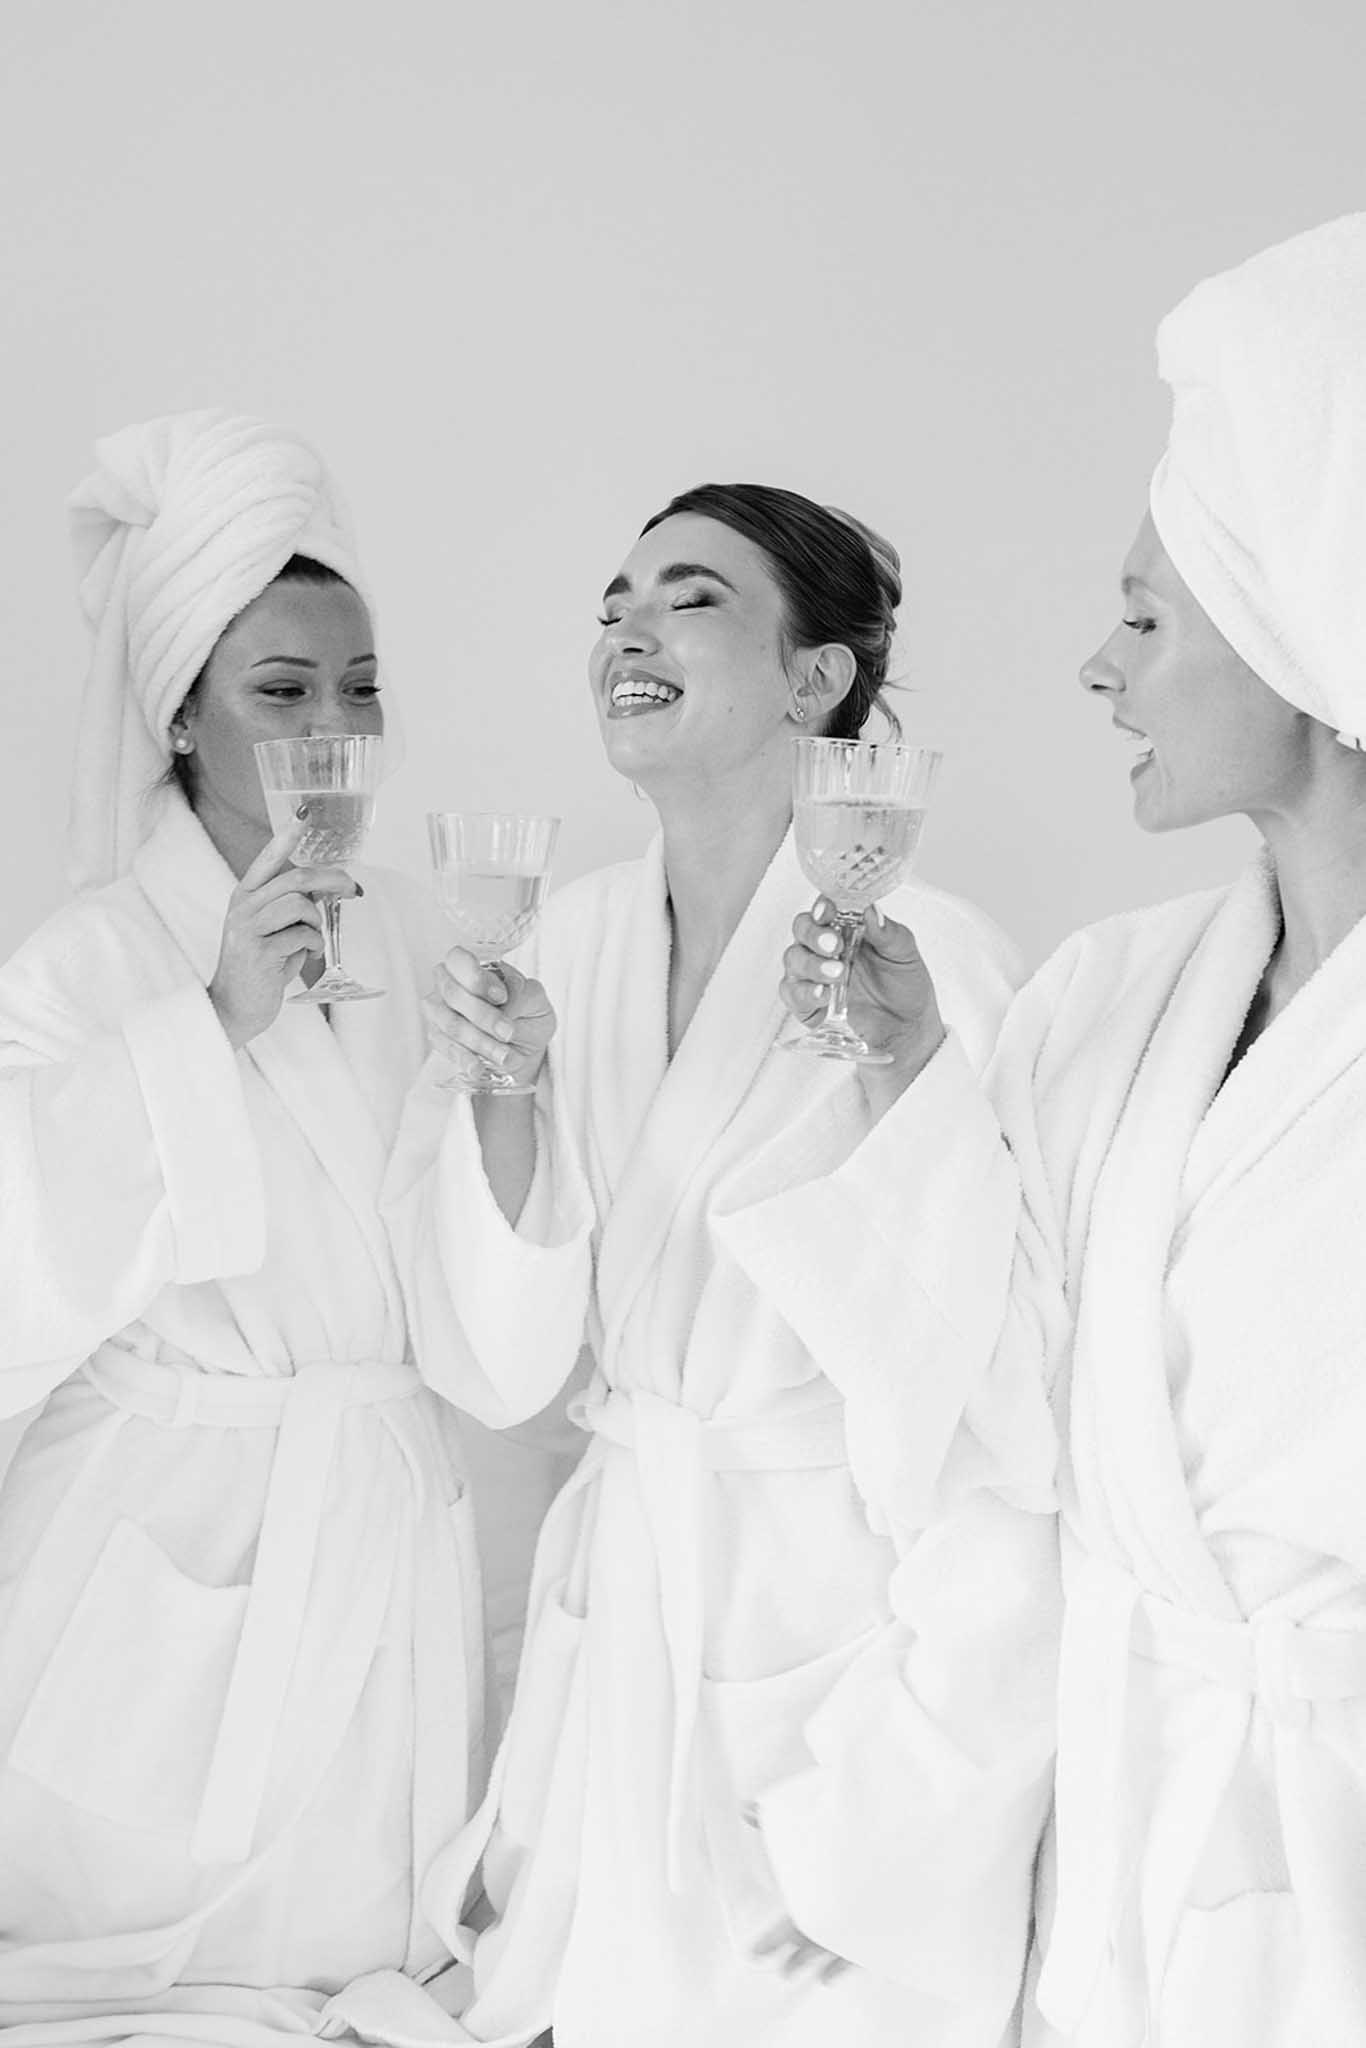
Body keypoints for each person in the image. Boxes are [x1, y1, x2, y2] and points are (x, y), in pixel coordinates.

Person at [782, 212, 1366, 2046]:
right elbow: (992, 1406)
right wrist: (907, 1089)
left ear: (1298, 633)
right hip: (1124, 1810)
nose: (1094, 670)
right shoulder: (1114, 994)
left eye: (1141, 615)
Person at [384, 483, 1060, 2048]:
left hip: (827, 1613)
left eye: (685, 595)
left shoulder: (929, 960)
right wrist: (507, 1091)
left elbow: (988, 1357)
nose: (623, 624)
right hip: (631, 1582)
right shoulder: (563, 946)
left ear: (814, 682)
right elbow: (499, 1359)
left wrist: (929, 1770)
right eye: (612, 599)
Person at [0, 409, 564, 2048]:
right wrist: (215, 1019)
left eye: (363, 688)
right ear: (180, 716)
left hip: (378, 1534)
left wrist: (511, 1097)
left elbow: (495, 1337)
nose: (338, 728)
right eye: (284, 690)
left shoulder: (422, 932)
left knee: (332, 1977)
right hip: (158, 1540)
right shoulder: (86, 967)